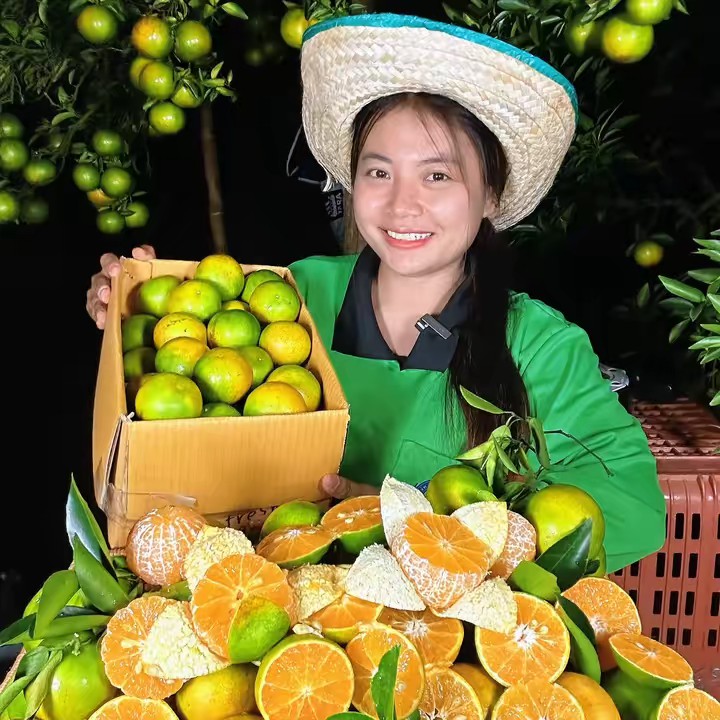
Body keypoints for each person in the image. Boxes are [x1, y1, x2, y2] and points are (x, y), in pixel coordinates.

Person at [85, 13, 666, 573]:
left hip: (439, 633)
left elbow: (633, 508)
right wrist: (134, 315)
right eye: (379, 172)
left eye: (437, 175)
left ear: (490, 195)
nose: (401, 204)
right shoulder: (294, 295)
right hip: (263, 607)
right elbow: (188, 384)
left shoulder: (541, 345)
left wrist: (416, 518)